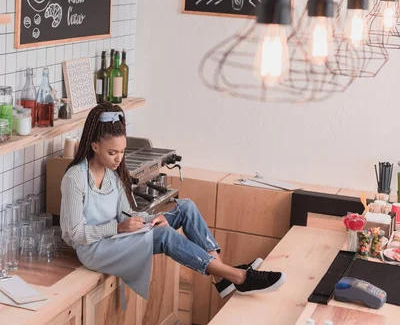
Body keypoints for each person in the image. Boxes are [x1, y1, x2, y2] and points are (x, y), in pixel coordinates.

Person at [60, 103, 286, 300]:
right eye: (112, 153)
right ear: (94, 146)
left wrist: (149, 219)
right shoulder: (76, 178)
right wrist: (118, 228)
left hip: (118, 237)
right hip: (95, 249)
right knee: (166, 235)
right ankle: (238, 276)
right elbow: (73, 233)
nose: (119, 159)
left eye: (122, 152)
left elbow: (126, 214)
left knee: (185, 207)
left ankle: (221, 276)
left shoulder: (113, 175)